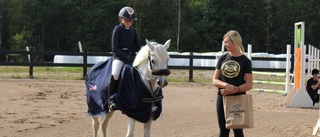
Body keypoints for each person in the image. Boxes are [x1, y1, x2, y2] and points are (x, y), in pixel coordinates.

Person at [212, 30, 253, 137]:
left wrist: (234, 90)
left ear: (235, 42)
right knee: (223, 130)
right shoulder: (222, 58)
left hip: (238, 99)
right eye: (224, 42)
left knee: (238, 131)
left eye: (227, 42)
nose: (225, 45)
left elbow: (249, 84)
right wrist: (226, 86)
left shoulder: (245, 61)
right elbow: (214, 80)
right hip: (222, 97)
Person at [108, 6, 141, 110]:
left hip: (131, 57)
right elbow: (114, 48)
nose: (129, 22)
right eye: (127, 20)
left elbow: (138, 46)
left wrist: (138, 56)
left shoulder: (133, 31)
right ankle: (111, 100)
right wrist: (126, 56)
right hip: (119, 57)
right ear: (121, 19)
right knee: (116, 74)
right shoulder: (117, 29)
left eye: (131, 20)